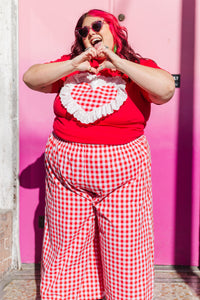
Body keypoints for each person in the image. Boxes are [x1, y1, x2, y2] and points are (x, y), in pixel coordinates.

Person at [23, 9, 175, 300]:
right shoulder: (69, 68)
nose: (90, 32)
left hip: (123, 177)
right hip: (66, 176)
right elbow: (31, 78)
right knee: (66, 244)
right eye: (82, 31)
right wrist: (76, 62)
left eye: (96, 25)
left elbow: (165, 90)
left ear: (115, 31)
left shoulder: (139, 67)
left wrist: (117, 61)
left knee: (125, 245)